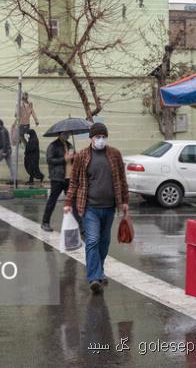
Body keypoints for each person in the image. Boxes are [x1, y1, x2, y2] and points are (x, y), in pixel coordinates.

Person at [64, 123, 129, 294]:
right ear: (91, 138)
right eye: (97, 137)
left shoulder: (114, 154)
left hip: (109, 207)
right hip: (89, 206)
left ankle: (99, 270)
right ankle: (94, 277)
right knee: (92, 240)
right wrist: (68, 202)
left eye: (103, 137)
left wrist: (125, 201)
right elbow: (74, 181)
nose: (101, 140)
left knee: (104, 242)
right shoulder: (82, 156)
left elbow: (122, 179)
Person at [41, 132, 74, 231]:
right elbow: (50, 160)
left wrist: (74, 157)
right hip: (57, 178)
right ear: (59, 134)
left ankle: (76, 224)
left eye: (67, 134)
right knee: (52, 201)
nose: (66, 135)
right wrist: (64, 159)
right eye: (64, 134)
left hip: (69, 178)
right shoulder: (53, 146)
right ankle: (45, 222)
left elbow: (71, 160)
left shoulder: (69, 145)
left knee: (72, 202)